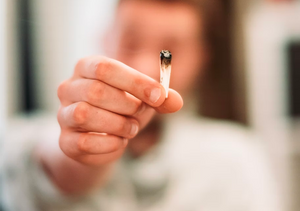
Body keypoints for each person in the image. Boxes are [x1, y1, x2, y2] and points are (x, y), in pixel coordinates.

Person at [1, 0, 283, 210]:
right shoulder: (22, 140)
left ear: (202, 59)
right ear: (105, 38)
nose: (146, 67)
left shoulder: (234, 159)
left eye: (170, 50)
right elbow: (39, 170)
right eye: (131, 42)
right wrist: (76, 155)